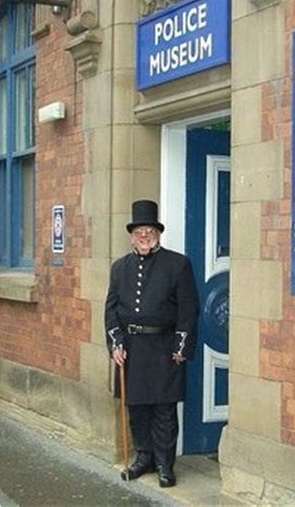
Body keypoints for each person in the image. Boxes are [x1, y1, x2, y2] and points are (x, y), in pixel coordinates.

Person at [105, 200, 199, 488]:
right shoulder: (119, 267)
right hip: (131, 349)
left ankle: (164, 464)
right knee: (137, 408)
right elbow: (111, 309)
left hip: (164, 348)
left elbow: (188, 309)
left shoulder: (178, 264)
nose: (144, 236)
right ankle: (143, 457)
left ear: (157, 233)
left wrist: (181, 347)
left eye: (149, 230)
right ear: (131, 235)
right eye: (138, 231)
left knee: (163, 411)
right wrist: (115, 343)